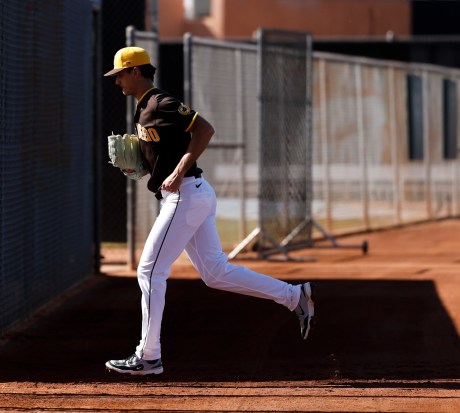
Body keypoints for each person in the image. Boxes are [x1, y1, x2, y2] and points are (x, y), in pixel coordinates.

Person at [102, 46, 315, 375]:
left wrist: (179, 169)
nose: (116, 82)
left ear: (135, 72)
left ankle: (148, 356)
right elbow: (162, 150)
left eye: (119, 75)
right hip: (191, 196)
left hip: (185, 196)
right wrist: (145, 166)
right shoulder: (143, 109)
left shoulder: (161, 102)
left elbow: (205, 129)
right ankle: (293, 295)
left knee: (149, 272)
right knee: (215, 273)